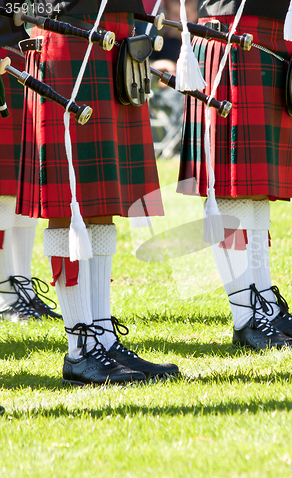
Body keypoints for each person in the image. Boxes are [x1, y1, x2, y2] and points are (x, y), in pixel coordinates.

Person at [17, 0, 179, 385]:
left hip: (117, 31)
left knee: (102, 200)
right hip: (68, 29)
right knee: (68, 199)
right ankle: (80, 349)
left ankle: (102, 337)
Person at [178, 0, 292, 349]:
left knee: (255, 186)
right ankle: (246, 317)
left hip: (278, 29)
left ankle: (264, 304)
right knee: (232, 185)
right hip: (233, 28)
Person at [0, 13, 60, 322]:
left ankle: (21, 285)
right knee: (2, 191)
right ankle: (4, 295)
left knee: (24, 184)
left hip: (23, 55)